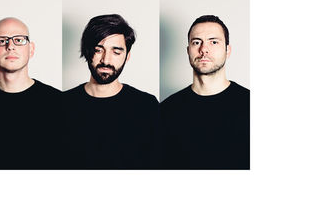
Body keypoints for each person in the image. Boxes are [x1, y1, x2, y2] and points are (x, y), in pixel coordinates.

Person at [63, 14, 159, 169]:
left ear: (127, 56)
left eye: (116, 51)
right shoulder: (62, 105)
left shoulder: (146, 106)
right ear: (87, 52)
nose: (106, 60)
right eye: (98, 50)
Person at [0, 17, 62, 169]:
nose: (10, 46)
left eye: (19, 40)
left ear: (31, 49)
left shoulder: (60, 103)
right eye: (1, 40)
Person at [160, 15, 250, 169]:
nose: (204, 50)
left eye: (213, 42)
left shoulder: (250, 104)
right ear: (188, 51)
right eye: (196, 42)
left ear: (227, 50)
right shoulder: (165, 110)